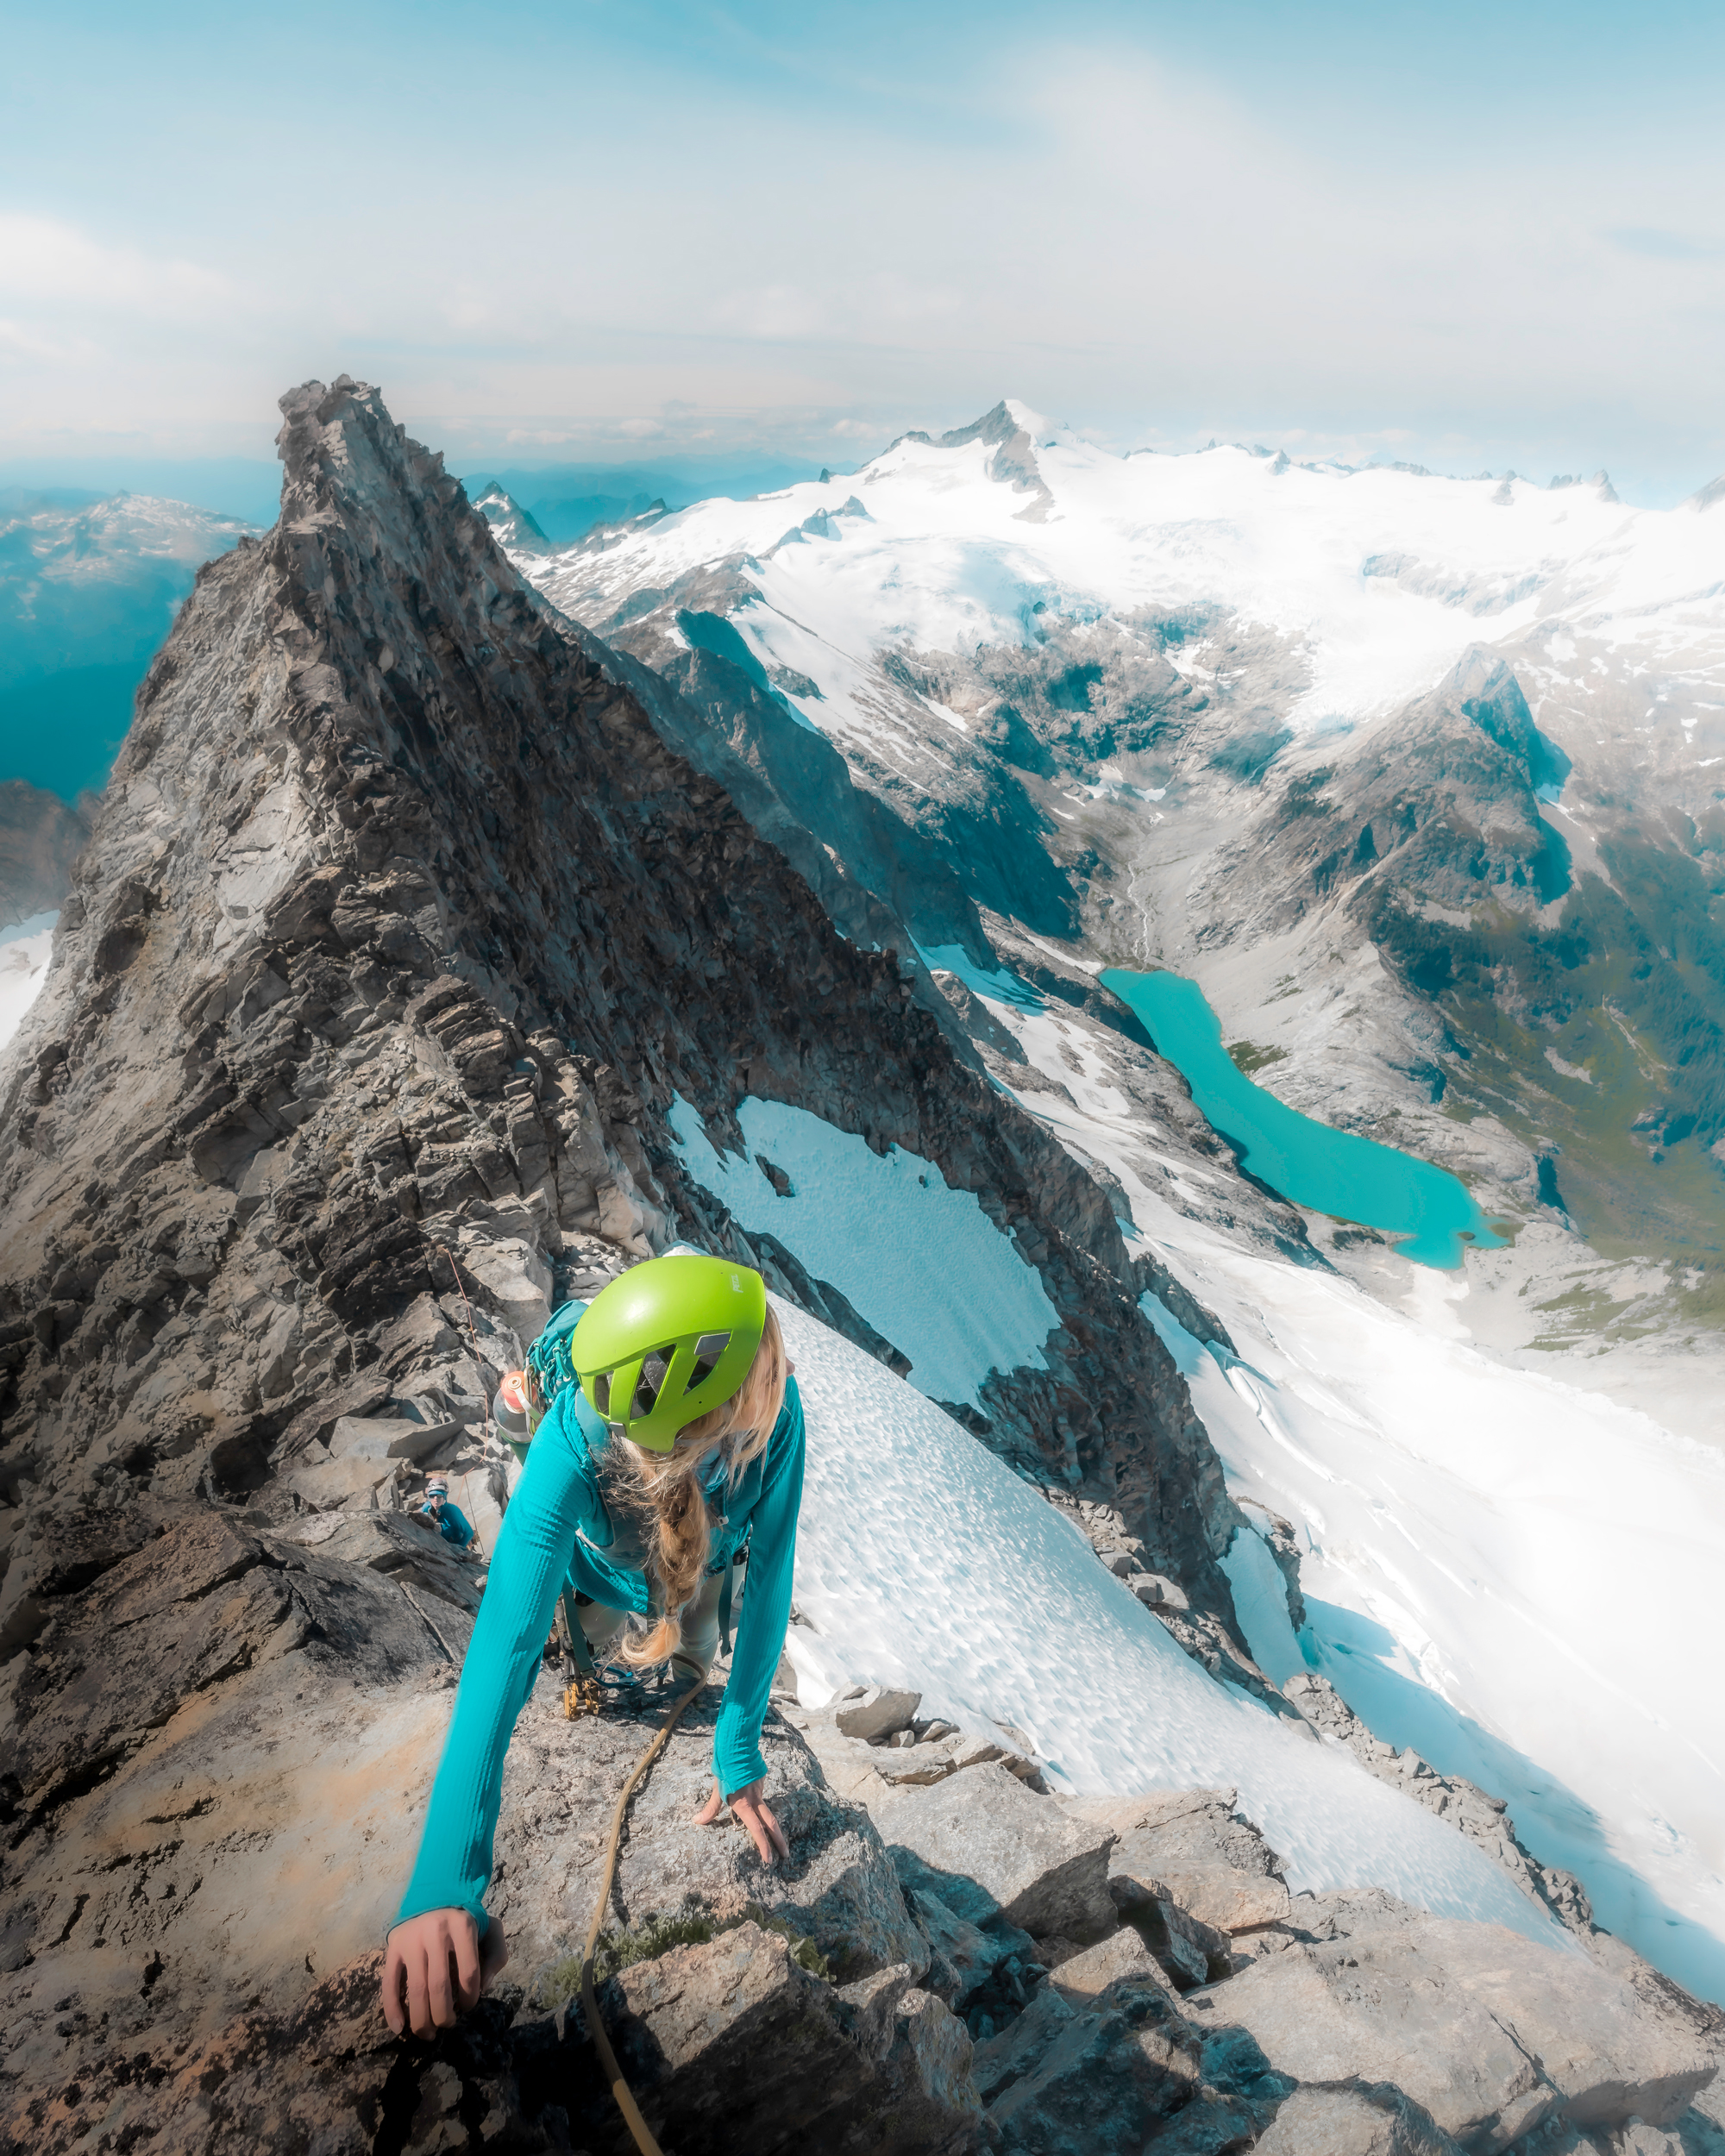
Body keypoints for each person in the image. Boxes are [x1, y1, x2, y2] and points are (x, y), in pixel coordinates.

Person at [381, 1250, 806, 2040]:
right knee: (597, 1633)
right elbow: (500, 1643)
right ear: (706, 1417)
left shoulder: (776, 1423)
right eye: (763, 1370)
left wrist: (737, 1748)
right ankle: (610, 1655)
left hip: (684, 1574)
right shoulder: (572, 1442)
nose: (782, 1380)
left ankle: (659, 1659)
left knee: (696, 1645)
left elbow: (773, 1574)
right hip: (599, 1576)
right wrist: (446, 1876)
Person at [414, 1478, 474, 1549]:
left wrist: (460, 1549)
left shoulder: (452, 1511)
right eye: (432, 1496)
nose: (435, 1499)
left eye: (439, 1496)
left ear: (445, 1496)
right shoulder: (426, 1508)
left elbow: (469, 1532)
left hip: (454, 1545)